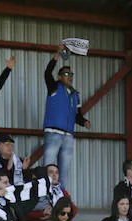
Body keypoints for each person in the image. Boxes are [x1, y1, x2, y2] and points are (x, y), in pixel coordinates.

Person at [42, 45, 90, 189]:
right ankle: (46, 197)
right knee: (49, 168)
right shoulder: (54, 87)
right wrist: (57, 55)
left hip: (68, 136)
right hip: (54, 133)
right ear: (60, 77)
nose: (70, 77)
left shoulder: (75, 95)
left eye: (71, 75)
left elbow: (77, 116)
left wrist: (84, 121)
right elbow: (47, 72)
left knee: (64, 171)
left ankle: (62, 199)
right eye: (67, 75)